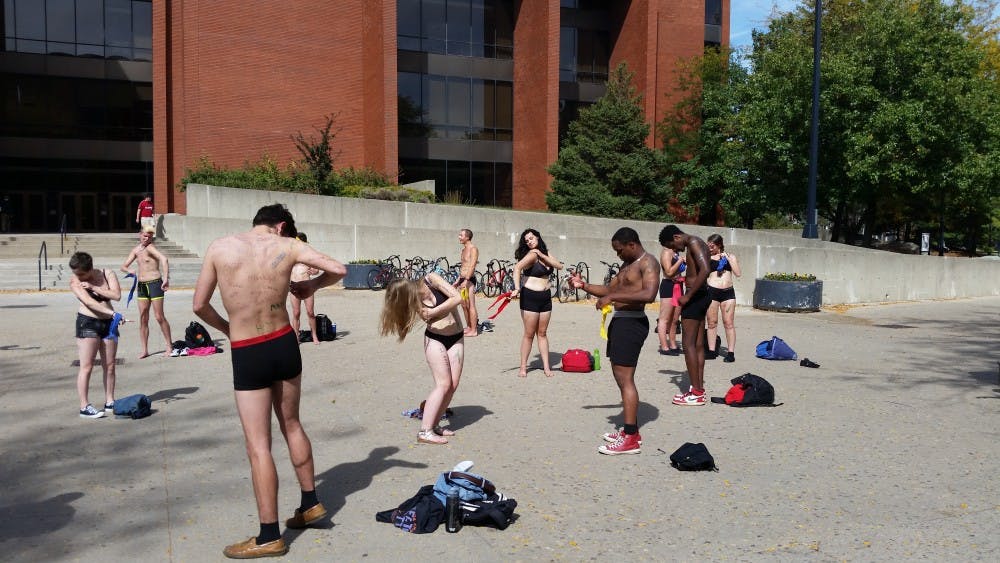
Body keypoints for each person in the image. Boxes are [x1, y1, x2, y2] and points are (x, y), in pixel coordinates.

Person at [193, 203, 347, 559]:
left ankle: (268, 536)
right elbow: (338, 269)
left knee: (258, 446)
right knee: (292, 424)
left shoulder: (220, 247)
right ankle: (310, 503)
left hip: (248, 347)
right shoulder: (289, 246)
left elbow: (199, 305)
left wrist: (228, 329)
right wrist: (310, 286)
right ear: (281, 226)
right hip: (283, 342)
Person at [569, 227, 659, 454]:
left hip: (633, 323)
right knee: (620, 378)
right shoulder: (626, 265)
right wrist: (584, 286)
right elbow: (609, 289)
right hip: (620, 322)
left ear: (631, 244)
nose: (617, 255)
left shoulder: (648, 263)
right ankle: (630, 430)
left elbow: (649, 294)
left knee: (626, 379)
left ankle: (630, 437)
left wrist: (613, 296)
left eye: (619, 250)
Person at [379, 272, 465, 445]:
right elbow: (430, 314)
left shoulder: (431, 279)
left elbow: (458, 298)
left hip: (456, 336)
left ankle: (434, 425)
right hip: (435, 340)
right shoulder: (413, 300)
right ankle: (425, 431)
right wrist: (435, 311)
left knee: (453, 385)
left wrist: (435, 310)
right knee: (443, 384)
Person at [659, 225, 712, 406]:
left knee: (688, 344)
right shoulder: (698, 242)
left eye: (672, 245)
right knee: (697, 345)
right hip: (702, 295)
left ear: (677, 236)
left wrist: (688, 295)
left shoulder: (694, 243)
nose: (675, 249)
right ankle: (699, 390)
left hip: (694, 296)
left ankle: (696, 393)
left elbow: (705, 270)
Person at [69, 252, 122, 419]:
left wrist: (94, 288)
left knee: (110, 365)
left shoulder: (107, 274)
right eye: (76, 273)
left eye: (81, 273)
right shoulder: (75, 281)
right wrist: (113, 314)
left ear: (90, 269)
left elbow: (117, 295)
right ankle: (84, 406)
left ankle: (110, 401)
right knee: (87, 366)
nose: (78, 277)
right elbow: (90, 302)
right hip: (88, 324)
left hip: (109, 326)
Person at [511, 228, 563, 377]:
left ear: (538, 238)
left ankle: (547, 367)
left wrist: (542, 254)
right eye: (527, 240)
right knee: (529, 334)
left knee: (542, 333)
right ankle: (523, 367)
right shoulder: (531, 255)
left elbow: (559, 266)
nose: (529, 242)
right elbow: (517, 268)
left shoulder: (544, 253)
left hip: (545, 297)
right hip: (530, 297)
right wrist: (516, 288)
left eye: (531, 238)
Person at [120, 227, 173, 358]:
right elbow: (123, 266)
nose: (146, 239)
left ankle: (169, 346)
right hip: (142, 286)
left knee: (159, 316)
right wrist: (129, 271)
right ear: (140, 235)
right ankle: (144, 350)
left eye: (149, 237)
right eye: (144, 236)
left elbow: (164, 259)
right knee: (143, 318)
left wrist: (165, 278)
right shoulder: (136, 250)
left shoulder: (150, 248)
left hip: (155, 283)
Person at [705, 234, 741, 362]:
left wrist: (728, 259)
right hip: (712, 291)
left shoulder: (730, 256)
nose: (710, 248)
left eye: (712, 246)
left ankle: (730, 353)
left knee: (729, 323)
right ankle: (711, 350)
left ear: (719, 245)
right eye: (708, 245)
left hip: (727, 293)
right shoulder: (707, 258)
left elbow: (738, 273)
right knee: (712, 322)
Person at [289, 232, 321, 345]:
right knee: (296, 313)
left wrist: (314, 271)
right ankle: (296, 337)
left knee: (310, 312)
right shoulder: (291, 256)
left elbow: (316, 269)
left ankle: (314, 336)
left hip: (308, 286)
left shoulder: (309, 256)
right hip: (294, 286)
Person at [656, 244, 685, 355]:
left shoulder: (676, 253)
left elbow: (678, 272)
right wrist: (680, 261)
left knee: (674, 319)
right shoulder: (666, 252)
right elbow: (668, 272)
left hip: (678, 285)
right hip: (668, 285)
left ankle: (673, 345)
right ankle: (664, 347)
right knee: (664, 318)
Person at [456, 228, 480, 337]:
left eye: (461, 235)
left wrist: (466, 280)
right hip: (462, 279)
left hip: (469, 280)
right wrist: (458, 280)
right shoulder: (463, 250)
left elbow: (472, 265)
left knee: (471, 304)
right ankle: (469, 326)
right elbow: (463, 266)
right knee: (464, 305)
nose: (459, 237)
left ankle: (474, 330)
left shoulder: (473, 249)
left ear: (467, 237)